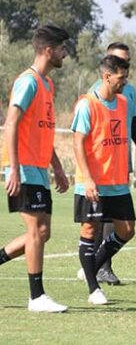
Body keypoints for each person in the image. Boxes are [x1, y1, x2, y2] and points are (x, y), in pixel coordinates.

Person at [0, 25, 71, 313]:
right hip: (24, 168)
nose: (65, 54)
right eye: (62, 48)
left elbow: (43, 130)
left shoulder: (48, 85)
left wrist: (57, 167)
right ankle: (36, 296)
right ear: (47, 50)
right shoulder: (27, 82)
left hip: (39, 169)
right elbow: (11, 124)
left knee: (42, 233)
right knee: (35, 231)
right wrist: (13, 168)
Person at [76, 42, 136, 286]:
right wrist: (88, 176)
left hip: (120, 165)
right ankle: (100, 269)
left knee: (124, 226)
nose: (125, 70)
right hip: (98, 171)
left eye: (128, 62)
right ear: (108, 68)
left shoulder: (128, 92)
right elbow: (83, 138)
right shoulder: (94, 95)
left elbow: (132, 126)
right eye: (120, 62)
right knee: (100, 221)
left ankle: (96, 265)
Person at [72, 55, 136, 305]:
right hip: (93, 183)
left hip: (118, 183)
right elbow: (78, 142)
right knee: (90, 230)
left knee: (127, 230)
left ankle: (91, 265)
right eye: (121, 78)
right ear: (107, 76)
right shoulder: (87, 104)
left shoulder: (123, 102)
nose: (124, 82)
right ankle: (93, 288)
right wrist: (88, 179)